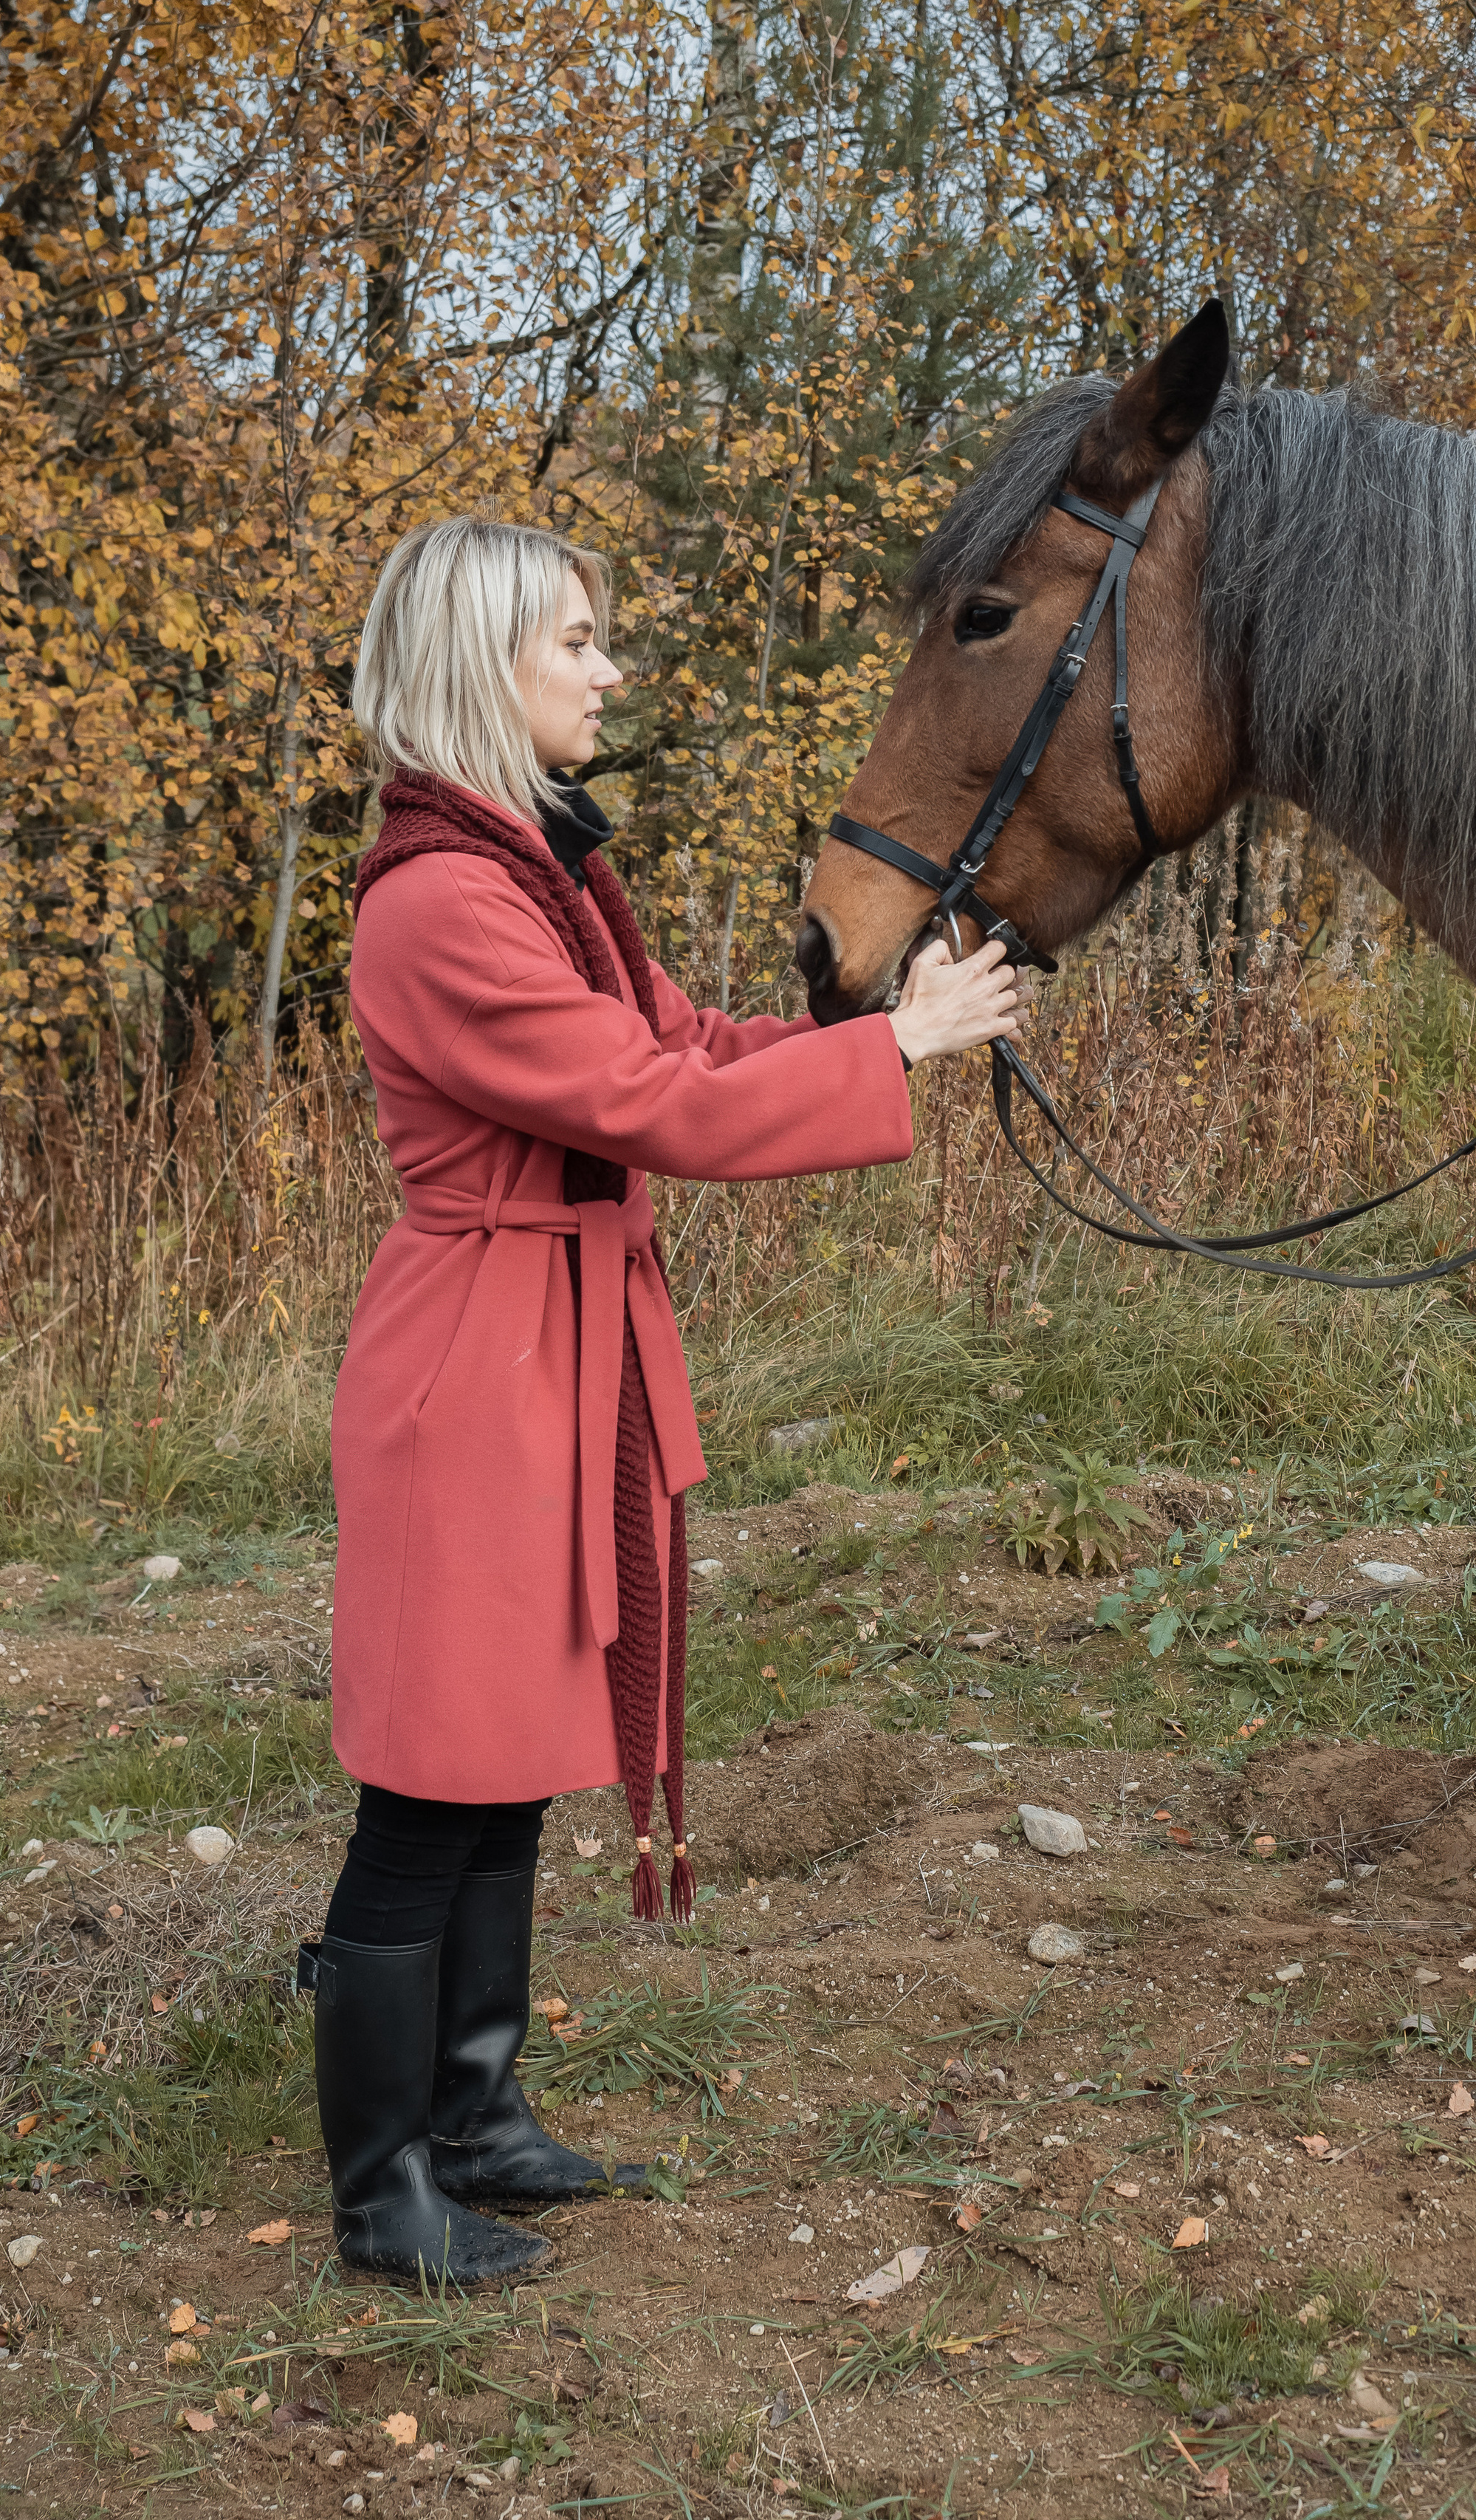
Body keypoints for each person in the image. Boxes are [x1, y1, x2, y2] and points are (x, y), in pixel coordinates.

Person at [299, 514, 1024, 2283]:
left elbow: (683, 1047)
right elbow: (646, 1104)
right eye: (574, 639)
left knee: (505, 1762)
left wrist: (877, 1029)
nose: (605, 667)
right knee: (431, 1782)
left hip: (549, 1351)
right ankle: (383, 2193)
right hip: (476, 1366)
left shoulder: (533, 872)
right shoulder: (442, 898)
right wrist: (892, 1049)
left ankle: (474, 2114)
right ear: (484, 665)